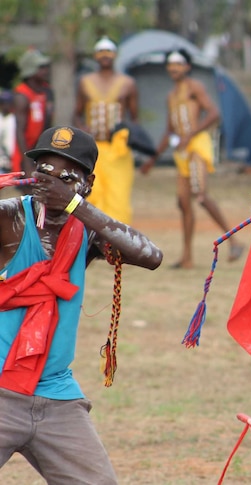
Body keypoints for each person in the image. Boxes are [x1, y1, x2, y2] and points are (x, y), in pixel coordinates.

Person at [0, 126, 163, 483]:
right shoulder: (10, 217)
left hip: (56, 396)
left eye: (67, 176)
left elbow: (151, 256)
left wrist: (75, 205)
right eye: (43, 170)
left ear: (87, 184)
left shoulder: (86, 228)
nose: (52, 182)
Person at [140, 48, 243, 269]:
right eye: (170, 64)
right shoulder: (171, 96)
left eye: (178, 63)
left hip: (197, 147)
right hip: (182, 153)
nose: (174, 68)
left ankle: (234, 241)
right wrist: (152, 159)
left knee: (201, 195)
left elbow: (214, 113)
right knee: (183, 202)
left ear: (187, 67)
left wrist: (191, 134)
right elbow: (169, 131)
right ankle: (187, 258)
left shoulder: (194, 87)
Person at [73, 36, 139, 224]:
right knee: (93, 193)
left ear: (115, 55)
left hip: (118, 149)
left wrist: (130, 137)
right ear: (95, 56)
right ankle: (95, 241)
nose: (105, 56)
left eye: (108, 52)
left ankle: (118, 243)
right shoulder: (85, 81)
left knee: (118, 195)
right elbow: (77, 113)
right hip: (93, 148)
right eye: (101, 52)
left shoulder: (128, 83)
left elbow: (134, 119)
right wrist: (82, 128)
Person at [13, 49, 53, 177]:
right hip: (26, 154)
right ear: (30, 70)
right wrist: (27, 164)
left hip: (41, 150)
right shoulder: (22, 95)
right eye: (41, 67)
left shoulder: (47, 91)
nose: (46, 70)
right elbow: (20, 131)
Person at [0, 90, 16, 173]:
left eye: (8, 103)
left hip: (13, 162)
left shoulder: (14, 119)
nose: (5, 106)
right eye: (3, 103)